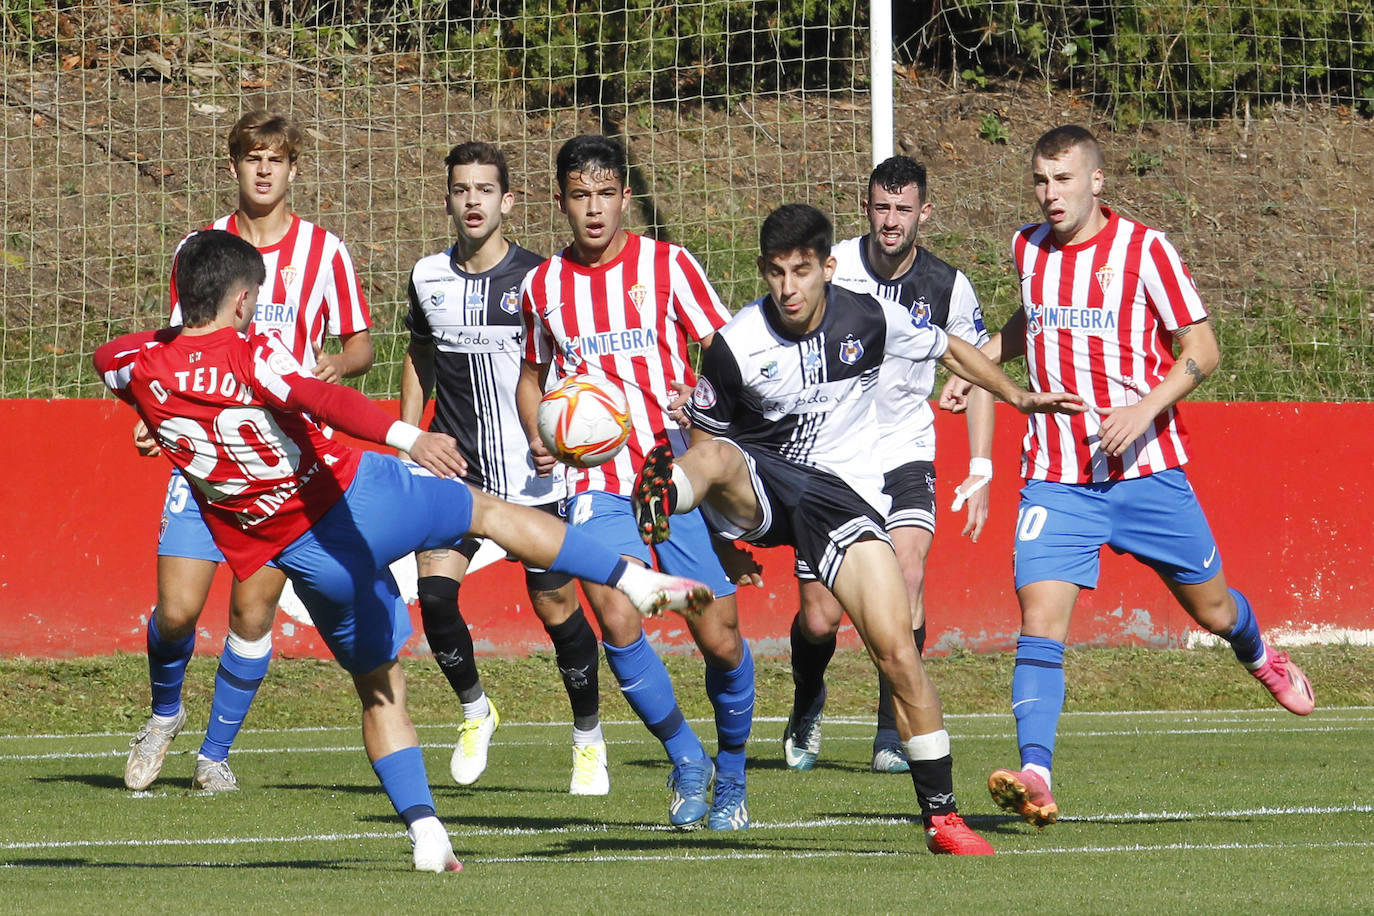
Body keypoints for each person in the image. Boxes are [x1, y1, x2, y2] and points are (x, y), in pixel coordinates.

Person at [93, 230, 714, 872]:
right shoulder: (254, 352)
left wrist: (155, 400)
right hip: (355, 498)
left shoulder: (134, 365)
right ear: (245, 300)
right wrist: (409, 436)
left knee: (380, 690)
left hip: (302, 555)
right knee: (490, 510)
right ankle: (631, 579)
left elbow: (111, 356)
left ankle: (425, 831)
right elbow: (323, 398)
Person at [631, 203, 1086, 855]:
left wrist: (1018, 396)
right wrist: (720, 538)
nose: (789, 288)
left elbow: (949, 346)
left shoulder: (866, 317)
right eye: (777, 273)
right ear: (763, 271)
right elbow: (706, 435)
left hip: (837, 499)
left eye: (803, 271)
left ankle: (944, 819)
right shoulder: (735, 343)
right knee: (718, 456)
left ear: (828, 268)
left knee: (897, 650)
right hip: (755, 482)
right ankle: (662, 491)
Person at [940, 125, 1316, 828]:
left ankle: (1259, 652)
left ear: (1097, 181)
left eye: (1064, 180)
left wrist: (1143, 409)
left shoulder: (1144, 250)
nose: (1051, 195)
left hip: (1147, 474)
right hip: (1056, 476)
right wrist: (984, 362)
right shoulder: (1028, 248)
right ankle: (1036, 772)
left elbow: (1203, 348)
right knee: (1039, 625)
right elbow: (1035, 320)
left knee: (1212, 610)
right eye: (1041, 181)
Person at [124, 110, 374, 794]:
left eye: (276, 158)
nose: (264, 169)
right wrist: (154, 414)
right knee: (176, 610)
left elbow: (361, 343)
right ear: (232, 167)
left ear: (294, 170)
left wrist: (335, 366)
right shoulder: (199, 246)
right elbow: (172, 343)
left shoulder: (326, 252)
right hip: (206, 448)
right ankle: (163, 714)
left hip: (279, 463)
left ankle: (214, 755)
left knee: (251, 611)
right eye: (251, 157)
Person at [517, 135, 754, 831]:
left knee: (721, 638)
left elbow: (727, 354)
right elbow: (532, 377)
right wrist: (541, 433)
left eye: (605, 195)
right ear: (560, 202)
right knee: (617, 615)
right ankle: (685, 758)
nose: (593, 210)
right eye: (579, 197)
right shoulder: (543, 286)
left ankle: (733, 777)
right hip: (594, 484)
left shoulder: (669, 266)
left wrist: (702, 401)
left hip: (672, 476)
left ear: (625, 196)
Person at [400, 141, 607, 795]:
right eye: (461, 189)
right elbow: (420, 353)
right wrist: (409, 437)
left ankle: (588, 739)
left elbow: (569, 363)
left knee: (553, 605)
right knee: (433, 598)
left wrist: (559, 434)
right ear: (448, 198)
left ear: (507, 201)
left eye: (484, 189)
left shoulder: (542, 280)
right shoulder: (426, 275)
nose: (472, 201)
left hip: (531, 475)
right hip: (456, 470)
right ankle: (474, 711)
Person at [782, 156, 997, 775]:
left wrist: (979, 468)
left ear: (924, 213)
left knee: (905, 582)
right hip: (830, 453)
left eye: (905, 209)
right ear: (866, 208)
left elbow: (977, 370)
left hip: (904, 448)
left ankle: (891, 729)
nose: (891, 220)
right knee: (820, 616)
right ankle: (807, 701)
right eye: (882, 207)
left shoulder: (948, 286)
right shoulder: (835, 267)